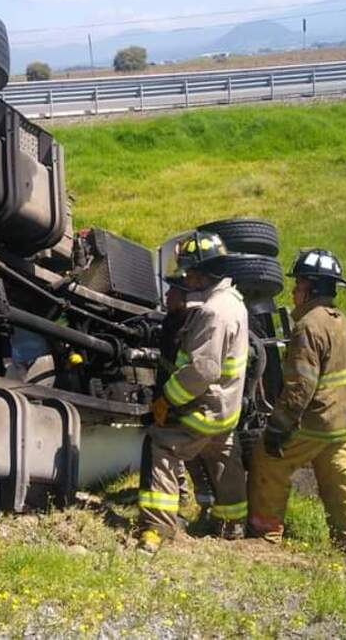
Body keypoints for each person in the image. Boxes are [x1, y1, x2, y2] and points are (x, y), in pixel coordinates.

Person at [137, 231, 249, 555]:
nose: (186, 277)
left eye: (188, 271)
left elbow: (202, 370)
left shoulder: (213, 311)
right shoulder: (235, 302)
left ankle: (157, 528)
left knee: (163, 446)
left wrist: (166, 399)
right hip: (226, 411)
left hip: (204, 410)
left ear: (202, 272)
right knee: (223, 456)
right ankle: (232, 527)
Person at [249, 248, 346, 554]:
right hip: (340, 426)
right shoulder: (343, 323)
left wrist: (277, 429)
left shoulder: (308, 327)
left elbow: (300, 387)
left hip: (312, 424)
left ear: (311, 288)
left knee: (268, 461)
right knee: (340, 485)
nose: (294, 291)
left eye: (298, 285)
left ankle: (265, 537)